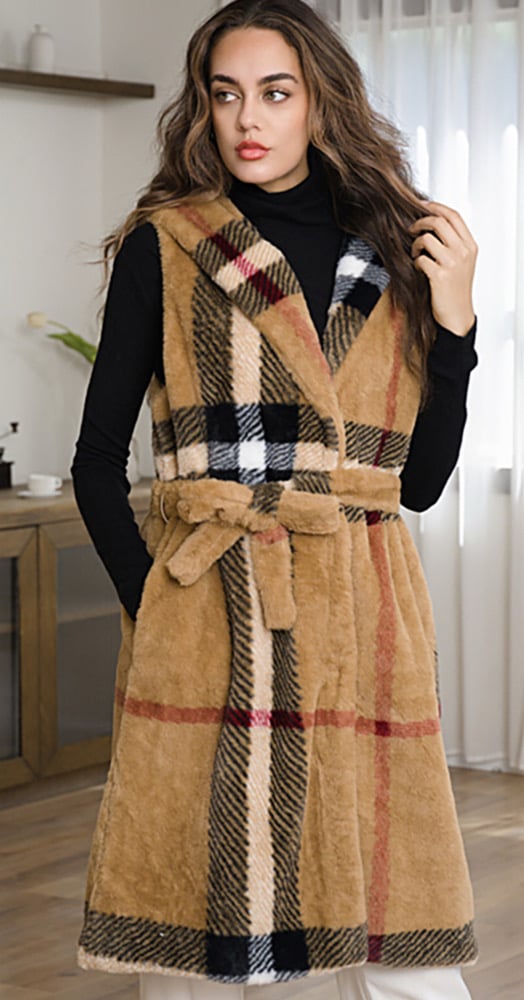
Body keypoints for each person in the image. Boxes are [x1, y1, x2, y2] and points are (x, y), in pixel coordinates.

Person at [72, 1, 479, 997]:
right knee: (207, 931)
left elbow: (419, 485)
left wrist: (458, 326)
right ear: (202, 108)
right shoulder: (168, 246)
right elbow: (94, 463)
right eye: (225, 94)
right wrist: (159, 608)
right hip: (214, 607)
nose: (246, 118)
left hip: (364, 610)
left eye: (274, 92)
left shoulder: (395, 251)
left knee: (401, 933)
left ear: (319, 101)